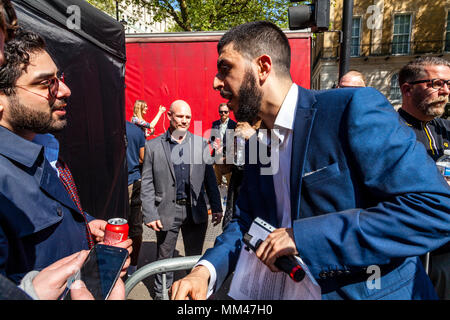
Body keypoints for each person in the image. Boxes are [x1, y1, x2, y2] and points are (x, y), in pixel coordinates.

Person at [171, 21, 450, 300]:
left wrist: (302, 238)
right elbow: (247, 221)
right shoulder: (257, 142)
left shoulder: (351, 109)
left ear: (263, 67)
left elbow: (435, 208)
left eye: (225, 68)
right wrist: (205, 270)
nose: (215, 82)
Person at [0, 27, 131, 285]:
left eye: (59, 77)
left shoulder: (45, 148)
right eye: (46, 83)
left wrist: (85, 226)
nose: (65, 90)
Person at [140, 99, 223, 299]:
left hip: (195, 212)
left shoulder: (201, 144)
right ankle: (161, 295)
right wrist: (150, 213)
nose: (184, 121)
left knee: (194, 258)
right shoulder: (153, 146)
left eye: (187, 117)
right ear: (169, 116)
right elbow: (147, 184)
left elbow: (210, 179)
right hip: (166, 212)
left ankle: (190, 294)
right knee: (164, 258)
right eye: (180, 116)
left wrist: (217, 206)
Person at [397, 56, 450, 300]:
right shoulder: (392, 130)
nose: (445, 91)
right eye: (436, 83)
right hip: (418, 248)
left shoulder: (444, 127)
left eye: (448, 84)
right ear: (407, 89)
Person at [125, 121, 146, 275]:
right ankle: (133, 266)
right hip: (132, 181)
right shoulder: (135, 130)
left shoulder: (100, 127)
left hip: (110, 184)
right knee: (135, 226)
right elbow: (143, 157)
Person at [210, 103, 236, 186]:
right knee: (216, 182)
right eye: (221, 112)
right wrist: (212, 143)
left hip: (228, 158)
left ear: (229, 112)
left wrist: (223, 147)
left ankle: (229, 199)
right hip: (217, 156)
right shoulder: (215, 124)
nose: (223, 114)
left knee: (229, 183)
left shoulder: (233, 125)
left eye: (225, 112)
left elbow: (234, 142)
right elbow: (212, 138)